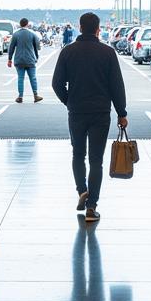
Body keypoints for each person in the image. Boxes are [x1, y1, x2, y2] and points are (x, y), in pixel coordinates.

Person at [52, 12, 128, 222]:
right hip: (100, 113)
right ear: (98, 29)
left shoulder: (68, 52)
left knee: (78, 154)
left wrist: (69, 101)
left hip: (76, 111)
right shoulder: (107, 53)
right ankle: (92, 206)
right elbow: (117, 86)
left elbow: (56, 83)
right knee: (96, 160)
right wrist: (122, 112)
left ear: (79, 26)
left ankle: (81, 190)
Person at [8, 17, 43, 103]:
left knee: (20, 78)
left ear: (20, 24)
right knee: (33, 78)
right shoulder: (32, 34)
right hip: (30, 60)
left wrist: (9, 59)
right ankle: (35, 95)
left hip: (19, 60)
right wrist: (36, 57)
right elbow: (37, 47)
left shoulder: (16, 35)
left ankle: (20, 96)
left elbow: (11, 47)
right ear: (27, 24)